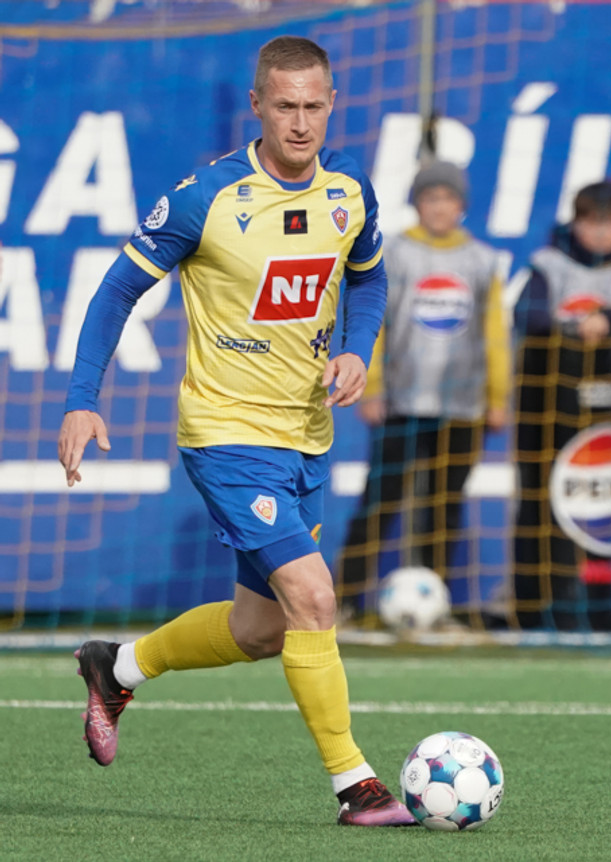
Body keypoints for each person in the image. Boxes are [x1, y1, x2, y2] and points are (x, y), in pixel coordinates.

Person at [58, 35, 415, 827]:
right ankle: (357, 786)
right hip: (226, 434)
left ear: (333, 103)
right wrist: (83, 397)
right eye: (284, 106)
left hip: (306, 435)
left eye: (313, 106)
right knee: (314, 597)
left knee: (261, 630)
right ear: (257, 105)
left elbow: (369, 277)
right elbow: (115, 292)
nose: (300, 123)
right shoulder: (206, 198)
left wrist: (357, 349)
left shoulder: (349, 189)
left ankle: (116, 667)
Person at [336, 161, 509, 621]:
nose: (439, 208)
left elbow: (495, 332)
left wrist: (496, 397)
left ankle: (435, 602)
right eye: (431, 198)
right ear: (417, 204)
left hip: (463, 406)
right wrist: (371, 385)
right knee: (380, 501)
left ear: (461, 206)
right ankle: (345, 599)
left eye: (448, 199)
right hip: (402, 402)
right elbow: (374, 320)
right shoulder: (394, 253)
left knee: (445, 507)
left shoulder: (481, 260)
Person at [512, 179, 611, 631]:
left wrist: (606, 319)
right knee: (543, 506)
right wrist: (577, 325)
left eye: (610, 223)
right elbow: (527, 313)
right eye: (592, 222)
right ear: (576, 223)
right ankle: (543, 601)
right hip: (555, 414)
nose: (601, 233)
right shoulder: (550, 263)